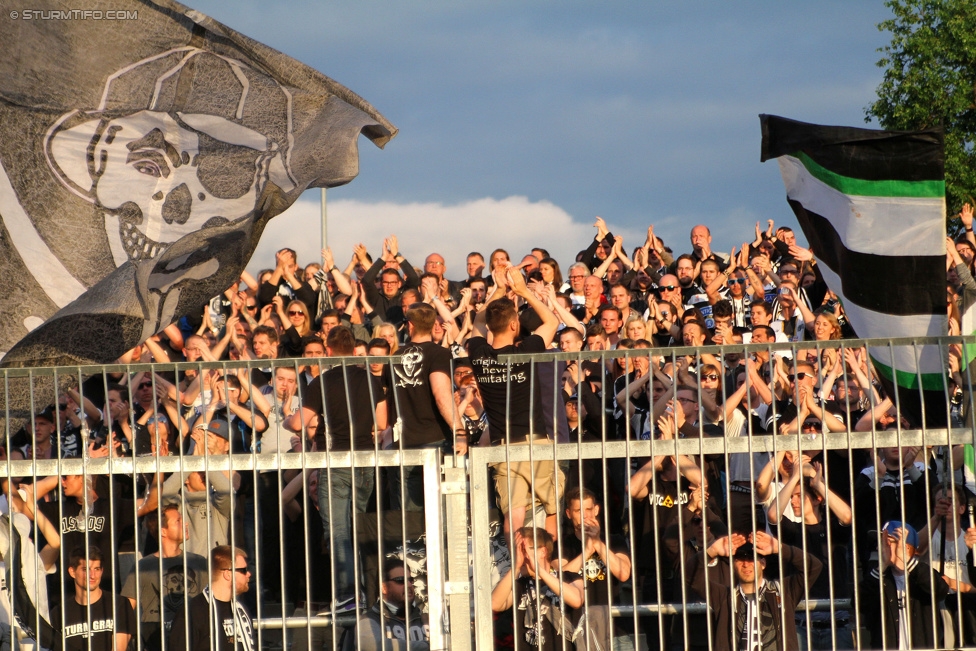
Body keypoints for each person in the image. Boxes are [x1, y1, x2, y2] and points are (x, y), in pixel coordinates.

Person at [285, 325, 388, 611]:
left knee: (339, 532)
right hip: (366, 463)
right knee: (357, 529)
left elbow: (297, 423)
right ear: (354, 349)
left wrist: (286, 420)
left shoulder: (322, 381)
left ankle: (347, 596)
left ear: (328, 351)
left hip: (335, 462)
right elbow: (381, 423)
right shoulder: (371, 379)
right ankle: (365, 596)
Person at [469, 264, 560, 534]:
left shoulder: (477, 353)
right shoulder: (525, 349)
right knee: (551, 507)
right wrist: (523, 291)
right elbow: (552, 322)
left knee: (514, 517)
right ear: (514, 324)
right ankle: (545, 571)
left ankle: (517, 569)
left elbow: (477, 322)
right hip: (535, 441)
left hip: (503, 446)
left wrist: (497, 290)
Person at [690, 532, 822, 651]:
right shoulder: (724, 596)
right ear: (733, 565)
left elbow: (814, 567)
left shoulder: (783, 591)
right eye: (740, 560)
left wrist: (780, 548)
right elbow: (689, 576)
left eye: (752, 559)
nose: (746, 564)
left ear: (763, 563)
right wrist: (711, 551)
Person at [387, 302, 461, 510]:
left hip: (404, 440)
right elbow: (441, 395)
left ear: (409, 325)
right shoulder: (439, 353)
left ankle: (413, 543)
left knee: (409, 517)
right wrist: (460, 429)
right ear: (432, 325)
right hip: (435, 437)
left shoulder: (393, 358)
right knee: (439, 509)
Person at [122, 504, 209, 651]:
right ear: (163, 531)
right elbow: (125, 608)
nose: (185, 523)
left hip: (193, 639)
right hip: (155, 640)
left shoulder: (199, 563)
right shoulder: (144, 566)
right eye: (178, 521)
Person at [491, 528, 585, 651]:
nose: (520, 555)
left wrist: (539, 571)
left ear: (543, 551)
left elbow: (576, 600)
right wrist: (515, 567)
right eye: (516, 550)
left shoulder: (569, 577)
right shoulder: (520, 584)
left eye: (523, 549)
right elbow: (495, 604)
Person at [860, 521, 949, 650]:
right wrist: (881, 567)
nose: (880, 547)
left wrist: (907, 561)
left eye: (887, 541)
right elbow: (859, 603)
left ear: (906, 547)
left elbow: (940, 590)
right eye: (880, 542)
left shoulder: (921, 573)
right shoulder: (878, 576)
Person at [170, 545, 255, 651]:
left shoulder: (241, 610)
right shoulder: (193, 612)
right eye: (243, 570)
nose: (249, 574)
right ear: (228, 574)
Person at [52, 546, 136, 651]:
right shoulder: (59, 613)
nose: (92, 575)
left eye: (97, 569)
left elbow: (119, 648)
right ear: (72, 572)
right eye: (85, 569)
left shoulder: (119, 604)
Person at [344, 561, 430, 651]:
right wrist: (428, 646)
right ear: (384, 588)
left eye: (410, 580)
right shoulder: (369, 619)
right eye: (401, 580)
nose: (409, 585)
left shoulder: (426, 619)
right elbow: (373, 645)